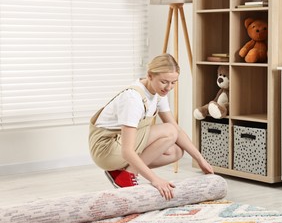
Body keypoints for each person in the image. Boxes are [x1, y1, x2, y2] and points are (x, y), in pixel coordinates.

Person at [89, 53, 214, 200]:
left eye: (173, 82)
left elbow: (177, 130)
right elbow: (127, 151)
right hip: (106, 149)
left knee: (176, 151)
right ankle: (127, 175)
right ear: (150, 75)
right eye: (164, 82)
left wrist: (200, 159)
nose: (169, 87)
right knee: (169, 131)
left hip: (118, 145)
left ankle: (122, 173)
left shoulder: (158, 94)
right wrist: (155, 180)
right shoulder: (133, 98)